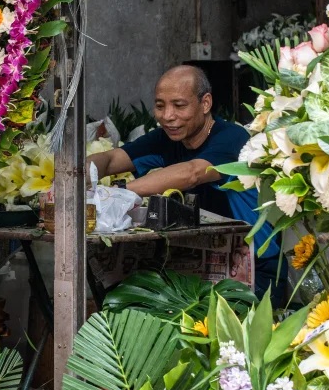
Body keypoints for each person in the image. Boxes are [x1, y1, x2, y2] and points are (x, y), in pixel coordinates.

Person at [87, 65, 283, 305]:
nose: (168, 116)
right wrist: (74, 174)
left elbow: (192, 173)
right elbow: (111, 160)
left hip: (255, 267)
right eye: (160, 106)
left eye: (179, 106)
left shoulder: (232, 138)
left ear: (205, 103)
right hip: (200, 268)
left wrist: (117, 194)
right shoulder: (165, 139)